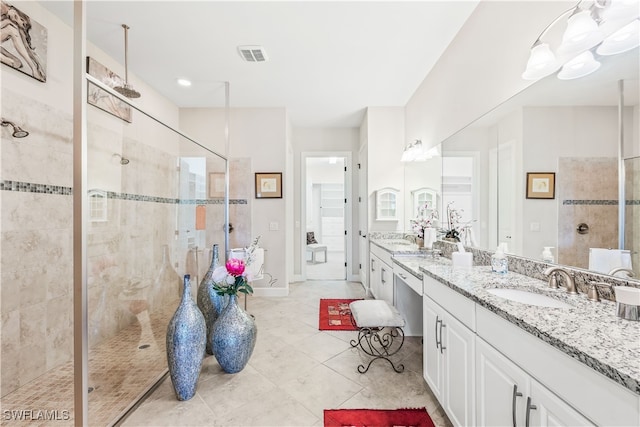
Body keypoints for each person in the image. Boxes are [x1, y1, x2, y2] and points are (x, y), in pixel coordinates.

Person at [1, 2, 46, 81]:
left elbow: (26, 46)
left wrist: (38, 65)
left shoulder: (12, 21)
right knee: (12, 29)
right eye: (18, 18)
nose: (14, 20)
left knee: (17, 63)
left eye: (16, 22)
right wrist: (8, 22)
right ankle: (33, 68)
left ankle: (35, 68)